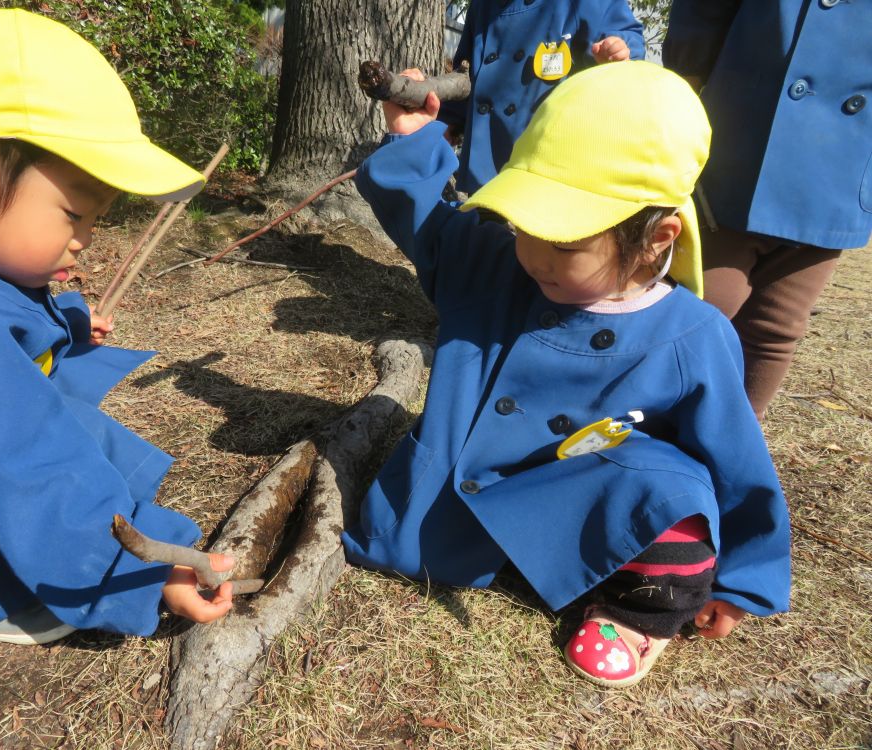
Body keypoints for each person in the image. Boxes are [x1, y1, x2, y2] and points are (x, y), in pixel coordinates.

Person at [341, 61, 791, 687]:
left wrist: (744, 581)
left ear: (658, 237)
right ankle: (519, 563)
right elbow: (425, 220)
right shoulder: (494, 265)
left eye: (565, 244)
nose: (533, 256)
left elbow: (736, 462)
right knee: (405, 544)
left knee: (675, 495)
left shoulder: (691, 333)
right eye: (525, 227)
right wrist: (415, 137)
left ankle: (639, 609)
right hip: (458, 499)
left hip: (578, 499)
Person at [0, 9, 237, 645]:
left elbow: (2, 323)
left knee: (64, 430)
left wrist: (66, 319)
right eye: (73, 215)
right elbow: (26, 464)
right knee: (27, 494)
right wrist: (144, 571)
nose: (85, 241)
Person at [662, 0, 872, 419]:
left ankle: (731, 453)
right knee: (693, 305)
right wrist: (683, 79)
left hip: (844, 162)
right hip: (738, 133)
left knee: (776, 328)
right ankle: (638, 440)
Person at [441, 0, 645, 194]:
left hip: (548, 164)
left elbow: (625, 33)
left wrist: (618, 48)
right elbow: (466, 70)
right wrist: (449, 121)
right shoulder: (483, 5)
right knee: (484, 223)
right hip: (485, 156)